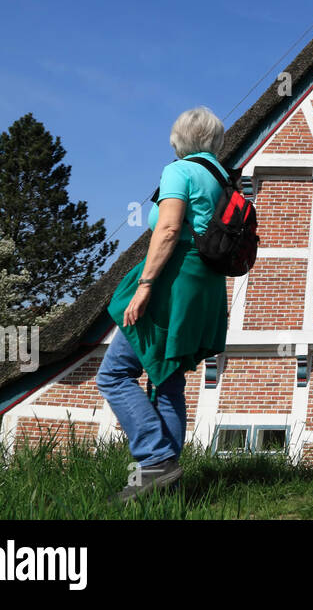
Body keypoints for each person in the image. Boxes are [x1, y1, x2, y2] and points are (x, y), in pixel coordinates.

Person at [97, 106, 231, 503]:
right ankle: (164, 486)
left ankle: (154, 458)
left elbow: (170, 228)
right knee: (167, 378)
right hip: (204, 287)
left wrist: (144, 286)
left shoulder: (180, 170)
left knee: (115, 373)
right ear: (216, 141)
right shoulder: (222, 180)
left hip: (172, 283)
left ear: (177, 141)